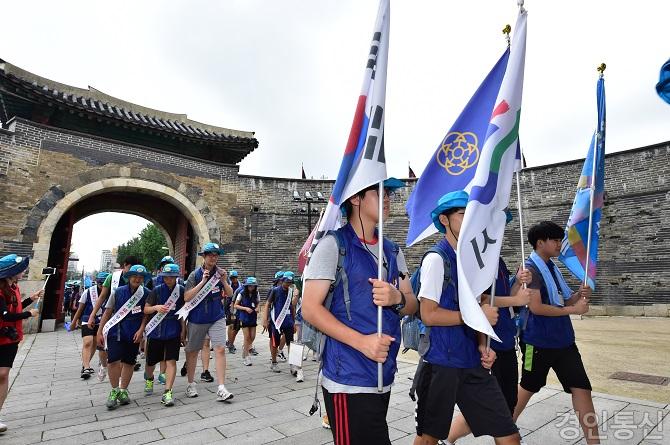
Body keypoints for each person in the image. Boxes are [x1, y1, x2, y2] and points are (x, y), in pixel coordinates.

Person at [303, 179, 418, 444]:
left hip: (382, 372)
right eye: (379, 192)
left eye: (389, 192)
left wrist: (396, 297)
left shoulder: (392, 250)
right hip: (348, 377)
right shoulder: (334, 245)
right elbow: (310, 308)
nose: (388, 197)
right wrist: (362, 343)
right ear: (355, 198)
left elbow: (413, 304)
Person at [412, 191, 520, 445]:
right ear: (445, 220)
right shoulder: (436, 260)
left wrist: (483, 344)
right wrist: (473, 317)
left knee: (508, 432)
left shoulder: (472, 260)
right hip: (441, 363)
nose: (470, 219)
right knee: (428, 438)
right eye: (462, 214)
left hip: (472, 361)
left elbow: (479, 306)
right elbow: (428, 314)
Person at [445, 210, 535, 444]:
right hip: (488, 344)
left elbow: (507, 299)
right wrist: (515, 300)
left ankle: (446, 438)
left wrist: (518, 283)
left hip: (505, 339)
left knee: (506, 402)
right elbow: (480, 300)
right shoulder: (477, 260)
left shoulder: (498, 260)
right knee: (494, 409)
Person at [512, 221, 598, 444]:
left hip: (564, 342)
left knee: (581, 388)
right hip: (535, 343)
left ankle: (594, 442)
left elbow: (562, 300)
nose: (560, 244)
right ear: (541, 243)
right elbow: (537, 307)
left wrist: (579, 294)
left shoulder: (552, 266)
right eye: (556, 240)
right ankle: (505, 430)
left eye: (560, 239)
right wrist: (574, 309)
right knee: (527, 387)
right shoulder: (530, 270)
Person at [182, 242, 234, 402]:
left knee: (220, 350)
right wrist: (202, 282)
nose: (213, 257)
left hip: (216, 317)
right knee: (192, 352)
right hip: (197, 319)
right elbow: (186, 297)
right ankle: (191, 384)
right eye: (210, 254)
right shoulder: (194, 275)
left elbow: (230, 293)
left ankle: (221, 387)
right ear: (203, 256)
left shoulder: (220, 273)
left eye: (216, 255)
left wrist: (225, 281)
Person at [97, 264, 151, 410]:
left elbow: (146, 315)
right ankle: (114, 390)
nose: (137, 279)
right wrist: (100, 331)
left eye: (140, 277)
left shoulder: (146, 293)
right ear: (128, 277)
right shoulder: (117, 292)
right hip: (116, 330)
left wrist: (141, 331)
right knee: (113, 360)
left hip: (134, 332)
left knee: (129, 361)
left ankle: (123, 390)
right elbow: (107, 312)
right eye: (134, 276)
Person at [0, 254, 42, 433]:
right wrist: (29, 315)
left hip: (11, 339)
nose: (23, 272)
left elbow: (15, 308)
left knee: (3, 374)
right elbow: (5, 316)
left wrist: (31, 299)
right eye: (21, 270)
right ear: (12, 272)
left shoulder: (14, 287)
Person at [143, 263, 185, 407]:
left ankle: (168, 392)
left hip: (173, 330)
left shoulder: (181, 290)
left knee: (171, 361)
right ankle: (149, 379)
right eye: (166, 277)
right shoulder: (156, 290)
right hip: (156, 330)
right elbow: (146, 309)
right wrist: (156, 307)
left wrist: (183, 331)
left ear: (176, 277)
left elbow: (182, 312)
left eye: (172, 277)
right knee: (150, 362)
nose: (169, 279)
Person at [70, 272, 110, 381]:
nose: (102, 285)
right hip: (87, 319)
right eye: (100, 283)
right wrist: (73, 322)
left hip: (102, 321)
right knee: (88, 342)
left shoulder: (111, 293)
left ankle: (86, 363)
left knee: (95, 344)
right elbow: (80, 308)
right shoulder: (88, 292)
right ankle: (86, 367)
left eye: (104, 283)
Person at [87, 256, 140, 329]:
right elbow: (102, 297)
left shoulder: (138, 281)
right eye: (130, 267)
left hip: (131, 318)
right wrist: (92, 315)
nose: (132, 271)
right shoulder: (112, 277)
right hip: (111, 316)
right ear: (125, 265)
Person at [263, 271, 297, 373]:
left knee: (290, 343)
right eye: (286, 282)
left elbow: (292, 307)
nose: (288, 284)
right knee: (275, 343)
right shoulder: (275, 290)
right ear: (282, 281)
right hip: (276, 321)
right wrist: (265, 319)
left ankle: (293, 365)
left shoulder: (291, 291)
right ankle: (274, 363)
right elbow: (267, 304)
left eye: (290, 282)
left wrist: (294, 322)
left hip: (288, 321)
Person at [234, 277, 260, 366]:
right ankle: (246, 357)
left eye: (253, 286)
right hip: (244, 317)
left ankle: (245, 348)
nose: (251, 288)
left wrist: (257, 308)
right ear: (247, 286)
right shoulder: (241, 293)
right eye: (250, 286)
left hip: (253, 317)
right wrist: (245, 308)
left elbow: (258, 304)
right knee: (247, 337)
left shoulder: (256, 293)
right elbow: (235, 305)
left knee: (252, 337)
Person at [225, 270, 242, 354]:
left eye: (234, 278)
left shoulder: (241, 286)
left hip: (238, 308)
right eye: (231, 278)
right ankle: (230, 343)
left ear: (237, 277)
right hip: (230, 308)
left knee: (237, 327)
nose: (233, 280)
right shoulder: (228, 285)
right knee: (231, 325)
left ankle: (230, 341)